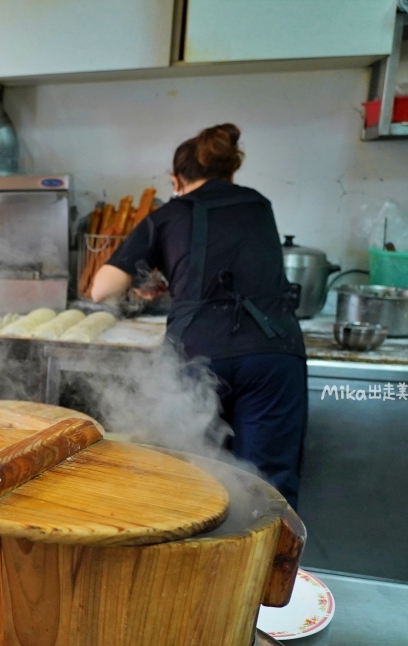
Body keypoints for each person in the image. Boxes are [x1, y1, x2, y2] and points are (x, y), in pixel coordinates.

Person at [90, 123, 307, 509]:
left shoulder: (170, 213)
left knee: (191, 480)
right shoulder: (259, 204)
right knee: (267, 487)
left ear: (176, 180)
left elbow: (101, 288)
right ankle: (267, 566)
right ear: (231, 174)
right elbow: (233, 268)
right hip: (272, 352)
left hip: (198, 351)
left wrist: (147, 279)